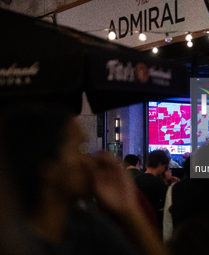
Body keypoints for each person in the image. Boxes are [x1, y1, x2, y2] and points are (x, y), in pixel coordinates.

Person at [0, 103, 168, 255]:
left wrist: (130, 210)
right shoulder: (12, 243)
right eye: (80, 149)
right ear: (47, 169)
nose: (91, 161)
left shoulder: (90, 229)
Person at [135, 150, 169, 230]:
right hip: (151, 222)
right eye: (165, 167)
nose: (164, 170)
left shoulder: (136, 179)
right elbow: (167, 202)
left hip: (136, 221)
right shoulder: (158, 182)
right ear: (160, 164)